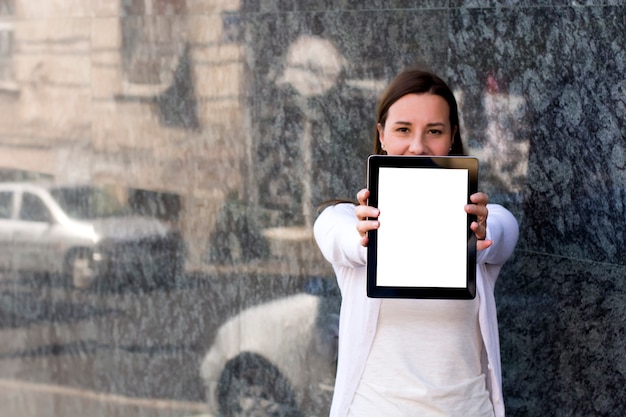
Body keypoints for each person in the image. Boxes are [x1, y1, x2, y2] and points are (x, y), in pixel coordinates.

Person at [313, 68, 519, 417]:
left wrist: (480, 233)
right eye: (403, 129)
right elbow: (339, 240)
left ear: (452, 137)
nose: (418, 146)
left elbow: (501, 234)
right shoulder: (345, 220)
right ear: (382, 135)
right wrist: (363, 237)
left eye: (434, 131)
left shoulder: (484, 218)